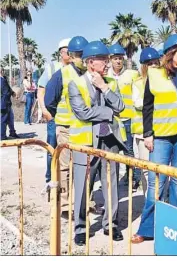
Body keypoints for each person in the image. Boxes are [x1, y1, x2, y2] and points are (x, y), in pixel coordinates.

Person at [132, 34, 177, 244]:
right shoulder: (154, 75)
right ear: (171, 54)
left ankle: (176, 228)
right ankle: (147, 229)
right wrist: (148, 134)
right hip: (162, 136)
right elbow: (148, 107)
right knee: (156, 182)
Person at [68, 40, 127, 246]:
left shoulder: (110, 81)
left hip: (109, 140)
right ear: (91, 62)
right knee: (84, 187)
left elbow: (120, 106)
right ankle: (81, 228)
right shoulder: (76, 83)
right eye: (103, 59)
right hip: (85, 143)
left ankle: (110, 224)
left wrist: (104, 87)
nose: (108, 63)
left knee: (110, 184)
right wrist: (108, 113)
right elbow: (82, 112)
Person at [44, 36, 89, 219]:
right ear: (70, 56)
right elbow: (49, 101)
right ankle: (64, 204)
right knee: (65, 168)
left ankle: (84, 202)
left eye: (83, 54)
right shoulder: (61, 74)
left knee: (85, 168)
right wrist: (61, 117)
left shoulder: (90, 74)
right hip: (66, 128)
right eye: (77, 55)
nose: (80, 58)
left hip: (86, 129)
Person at [107, 43, 140, 191]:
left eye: (120, 58)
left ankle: (132, 178)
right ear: (110, 59)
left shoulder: (132, 74)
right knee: (112, 152)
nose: (118, 61)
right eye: (115, 58)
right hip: (111, 120)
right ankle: (111, 180)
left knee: (128, 151)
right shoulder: (105, 75)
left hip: (127, 119)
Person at [38, 37, 71, 186]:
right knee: (52, 147)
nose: (71, 55)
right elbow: (41, 91)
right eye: (68, 52)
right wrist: (45, 111)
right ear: (61, 53)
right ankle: (50, 179)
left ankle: (65, 180)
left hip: (69, 120)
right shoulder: (52, 68)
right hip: (54, 116)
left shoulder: (76, 70)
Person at [131, 47, 160, 196]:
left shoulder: (164, 81)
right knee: (147, 169)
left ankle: (160, 200)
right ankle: (149, 201)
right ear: (143, 66)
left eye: (156, 62)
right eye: (150, 63)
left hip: (161, 131)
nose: (154, 66)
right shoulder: (138, 83)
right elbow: (138, 103)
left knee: (160, 169)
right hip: (143, 133)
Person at [1, 67, 19, 140]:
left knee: (10, 118)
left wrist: (13, 93)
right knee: (3, 120)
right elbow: (5, 92)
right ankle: (2, 136)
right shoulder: (1, 80)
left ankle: (12, 133)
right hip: (4, 103)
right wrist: (11, 94)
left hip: (6, 103)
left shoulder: (4, 79)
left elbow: (8, 89)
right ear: (2, 71)